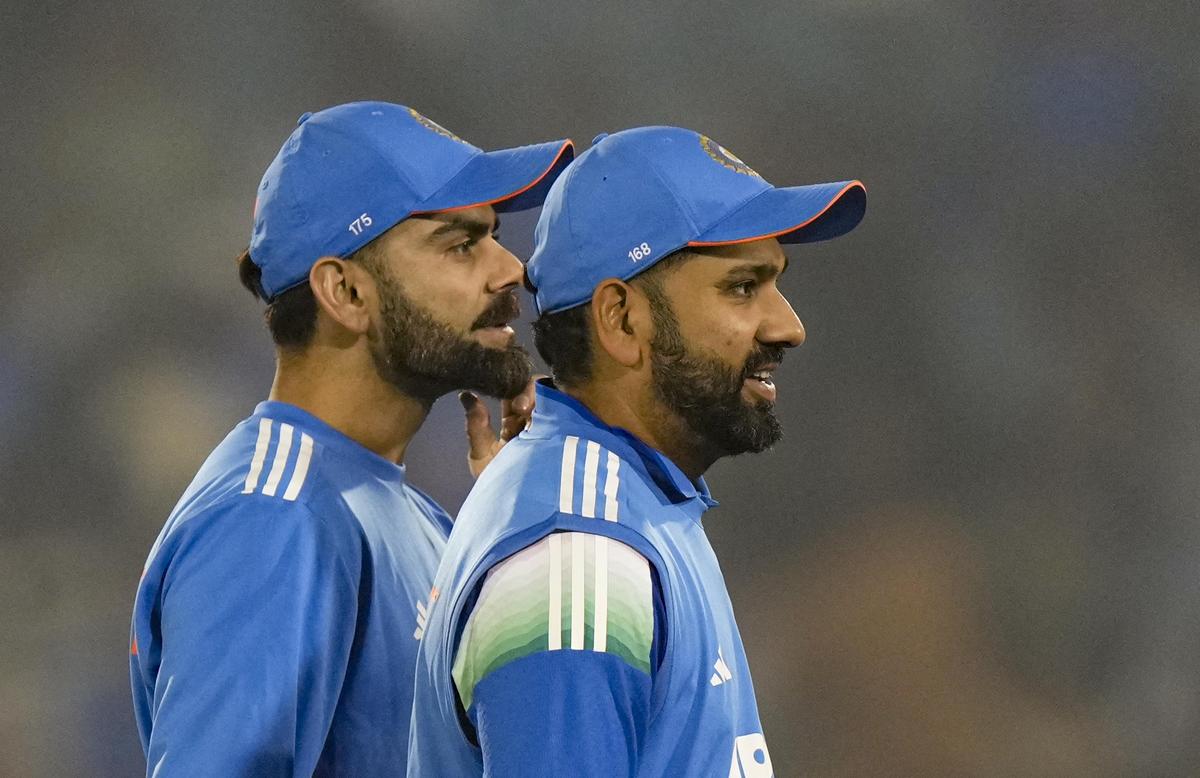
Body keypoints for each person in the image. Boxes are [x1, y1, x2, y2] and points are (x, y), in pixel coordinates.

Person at [128, 101, 573, 776]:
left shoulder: (406, 511)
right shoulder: (272, 518)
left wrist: (509, 545)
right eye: (461, 244)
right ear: (345, 292)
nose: (511, 268)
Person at [408, 126, 866, 776]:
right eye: (742, 287)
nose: (788, 325)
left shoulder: (630, 502)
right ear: (622, 319)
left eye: (776, 283)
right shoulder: (580, 562)